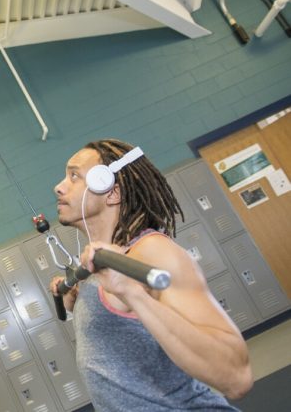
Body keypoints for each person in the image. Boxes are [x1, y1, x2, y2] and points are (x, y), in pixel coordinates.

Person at [49, 139, 252, 411]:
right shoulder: (101, 263)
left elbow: (235, 377)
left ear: (110, 192)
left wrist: (133, 294)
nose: (59, 186)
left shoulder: (152, 253)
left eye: (74, 176)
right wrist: (79, 300)